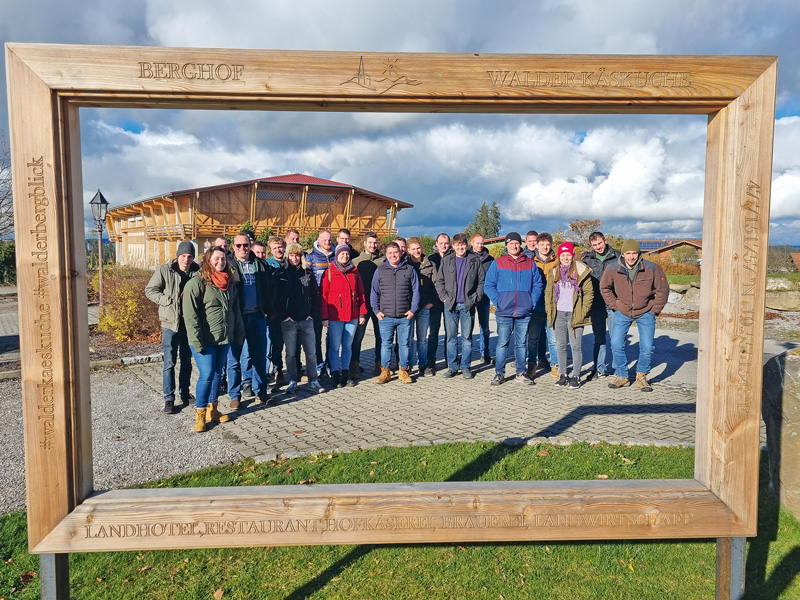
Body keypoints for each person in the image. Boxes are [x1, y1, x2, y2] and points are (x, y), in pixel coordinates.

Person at [182, 246, 243, 432]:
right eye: (216, 259)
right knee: (207, 375)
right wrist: (197, 341)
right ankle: (200, 413)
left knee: (218, 374)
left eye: (223, 259)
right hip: (203, 340)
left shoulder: (229, 284)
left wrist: (238, 335)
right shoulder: (196, 283)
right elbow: (190, 316)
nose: (220, 262)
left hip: (224, 338)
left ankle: (213, 409)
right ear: (208, 260)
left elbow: (236, 312)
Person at [600, 239, 669, 392]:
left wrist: (654, 310)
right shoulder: (612, 269)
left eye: (634, 253)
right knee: (616, 344)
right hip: (622, 311)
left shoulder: (652, 268)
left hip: (646, 312)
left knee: (647, 347)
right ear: (622, 254)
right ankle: (623, 376)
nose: (631, 257)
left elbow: (663, 290)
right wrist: (615, 306)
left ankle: (642, 376)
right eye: (628, 253)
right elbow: (604, 287)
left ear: (639, 254)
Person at [144, 241, 200, 414]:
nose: (186, 259)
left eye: (189, 256)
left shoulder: (197, 272)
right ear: (178, 256)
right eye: (183, 256)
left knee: (186, 361)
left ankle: (185, 393)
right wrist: (167, 301)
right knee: (169, 363)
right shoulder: (165, 270)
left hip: (188, 324)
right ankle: (169, 398)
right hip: (170, 323)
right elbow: (150, 290)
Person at [484, 232, 543, 385]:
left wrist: (532, 302)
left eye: (517, 243)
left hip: (524, 311)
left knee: (521, 343)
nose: (514, 246)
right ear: (506, 245)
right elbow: (488, 285)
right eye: (511, 243)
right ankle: (499, 373)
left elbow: (537, 284)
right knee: (502, 343)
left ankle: (521, 373)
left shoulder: (529, 263)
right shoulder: (498, 263)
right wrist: (498, 301)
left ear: (520, 245)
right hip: (504, 311)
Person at [227, 233, 272, 408]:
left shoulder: (259, 264)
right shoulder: (229, 265)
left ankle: (261, 392)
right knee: (234, 359)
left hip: (257, 316)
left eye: (245, 245)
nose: (242, 249)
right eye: (238, 246)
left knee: (259, 357)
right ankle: (234, 395)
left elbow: (269, 289)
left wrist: (267, 310)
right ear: (233, 247)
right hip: (238, 318)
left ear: (250, 245)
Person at [272, 242, 324, 394]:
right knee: (290, 353)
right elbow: (277, 298)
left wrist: (312, 313)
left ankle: (313, 379)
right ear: (288, 256)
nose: (294, 258)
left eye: (297, 255)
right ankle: (292, 380)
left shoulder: (307, 273)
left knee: (311, 353)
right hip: (289, 321)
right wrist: (284, 316)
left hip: (306, 320)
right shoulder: (281, 274)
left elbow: (315, 295)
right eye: (292, 255)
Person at [435, 232, 484, 378]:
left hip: (468, 305)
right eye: (457, 245)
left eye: (463, 244)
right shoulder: (447, 260)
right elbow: (439, 282)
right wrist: (444, 297)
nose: (460, 247)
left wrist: (476, 297)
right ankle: (452, 367)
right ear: (453, 246)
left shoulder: (474, 260)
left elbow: (482, 281)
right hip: (450, 305)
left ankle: (466, 367)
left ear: (466, 245)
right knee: (451, 338)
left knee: (467, 338)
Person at [545, 242, 593, 388]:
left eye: (568, 255)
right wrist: (549, 309)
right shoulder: (554, 272)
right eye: (563, 255)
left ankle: (576, 376)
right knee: (561, 346)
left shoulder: (581, 271)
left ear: (572, 255)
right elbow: (548, 293)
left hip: (574, 315)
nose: (565, 258)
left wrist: (582, 312)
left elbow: (589, 293)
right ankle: (563, 374)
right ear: (559, 257)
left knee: (576, 347)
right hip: (559, 314)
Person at [371, 242, 420, 384]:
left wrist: (413, 310)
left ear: (400, 253)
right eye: (390, 253)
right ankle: (385, 372)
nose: (393, 255)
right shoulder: (380, 270)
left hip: (405, 316)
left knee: (404, 345)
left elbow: (416, 291)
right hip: (385, 316)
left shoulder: (409, 269)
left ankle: (403, 371)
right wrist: (376, 311)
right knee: (386, 344)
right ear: (386, 255)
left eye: (395, 252)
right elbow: (374, 292)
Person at [321, 243, 367, 387]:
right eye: (342, 253)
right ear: (337, 255)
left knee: (347, 345)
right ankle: (335, 374)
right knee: (334, 346)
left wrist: (362, 313)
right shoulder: (329, 272)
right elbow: (323, 296)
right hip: (335, 316)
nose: (345, 255)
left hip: (352, 315)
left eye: (347, 253)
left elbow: (361, 294)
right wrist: (325, 317)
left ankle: (346, 375)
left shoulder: (355, 271)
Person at [581, 231, 621, 379]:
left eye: (599, 243)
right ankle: (599, 367)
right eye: (594, 245)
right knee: (599, 339)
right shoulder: (587, 259)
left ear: (605, 240)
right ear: (591, 245)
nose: (598, 247)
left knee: (616, 338)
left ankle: (618, 369)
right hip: (596, 305)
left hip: (613, 303)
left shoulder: (618, 257)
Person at [351, 232, 385, 377]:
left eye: (375, 242)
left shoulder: (383, 261)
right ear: (364, 243)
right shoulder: (355, 262)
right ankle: (354, 365)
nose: (373, 245)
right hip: (363, 306)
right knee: (358, 337)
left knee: (381, 337)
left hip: (380, 305)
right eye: (370, 242)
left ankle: (380, 364)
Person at [406, 236, 437, 376]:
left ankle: (423, 365)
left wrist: (431, 302)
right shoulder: (405, 265)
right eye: (413, 249)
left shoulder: (430, 264)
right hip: (409, 308)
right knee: (408, 339)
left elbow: (436, 284)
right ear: (408, 250)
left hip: (424, 307)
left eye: (418, 248)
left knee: (422, 339)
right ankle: (408, 365)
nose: (416, 251)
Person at [306, 229, 335, 377]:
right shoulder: (311, 257)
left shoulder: (337, 255)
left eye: (330, 239)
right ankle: (318, 364)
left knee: (332, 338)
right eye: (325, 239)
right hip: (317, 303)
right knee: (316, 337)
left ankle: (329, 364)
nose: (327, 242)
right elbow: (307, 280)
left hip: (334, 304)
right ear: (318, 240)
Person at [532, 232, 559, 378]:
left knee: (553, 337)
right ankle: (534, 363)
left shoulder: (557, 261)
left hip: (552, 304)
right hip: (536, 304)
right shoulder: (531, 260)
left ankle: (555, 365)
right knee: (534, 336)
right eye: (542, 244)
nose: (545, 247)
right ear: (536, 245)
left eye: (547, 244)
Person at [426, 233, 451, 375]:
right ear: (436, 243)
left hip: (449, 301)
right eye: (441, 243)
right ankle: (431, 362)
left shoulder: (453, 258)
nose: (443, 245)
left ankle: (450, 360)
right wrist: (429, 300)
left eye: (446, 243)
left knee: (450, 333)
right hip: (434, 302)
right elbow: (428, 282)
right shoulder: (431, 259)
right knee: (433, 332)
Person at [266, 236, 288, 385]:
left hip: (289, 311)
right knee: (273, 344)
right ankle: (274, 371)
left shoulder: (290, 263)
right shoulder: (268, 265)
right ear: (271, 250)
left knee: (285, 344)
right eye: (275, 248)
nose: (278, 250)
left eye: (280, 247)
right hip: (274, 313)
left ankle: (284, 369)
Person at [470, 233, 494, 364]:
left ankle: (485, 353)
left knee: (484, 327)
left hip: (484, 297)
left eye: (482, 243)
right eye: (477, 243)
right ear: (472, 243)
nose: (480, 245)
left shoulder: (490, 259)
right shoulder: (466, 257)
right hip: (469, 297)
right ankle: (467, 354)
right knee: (468, 327)